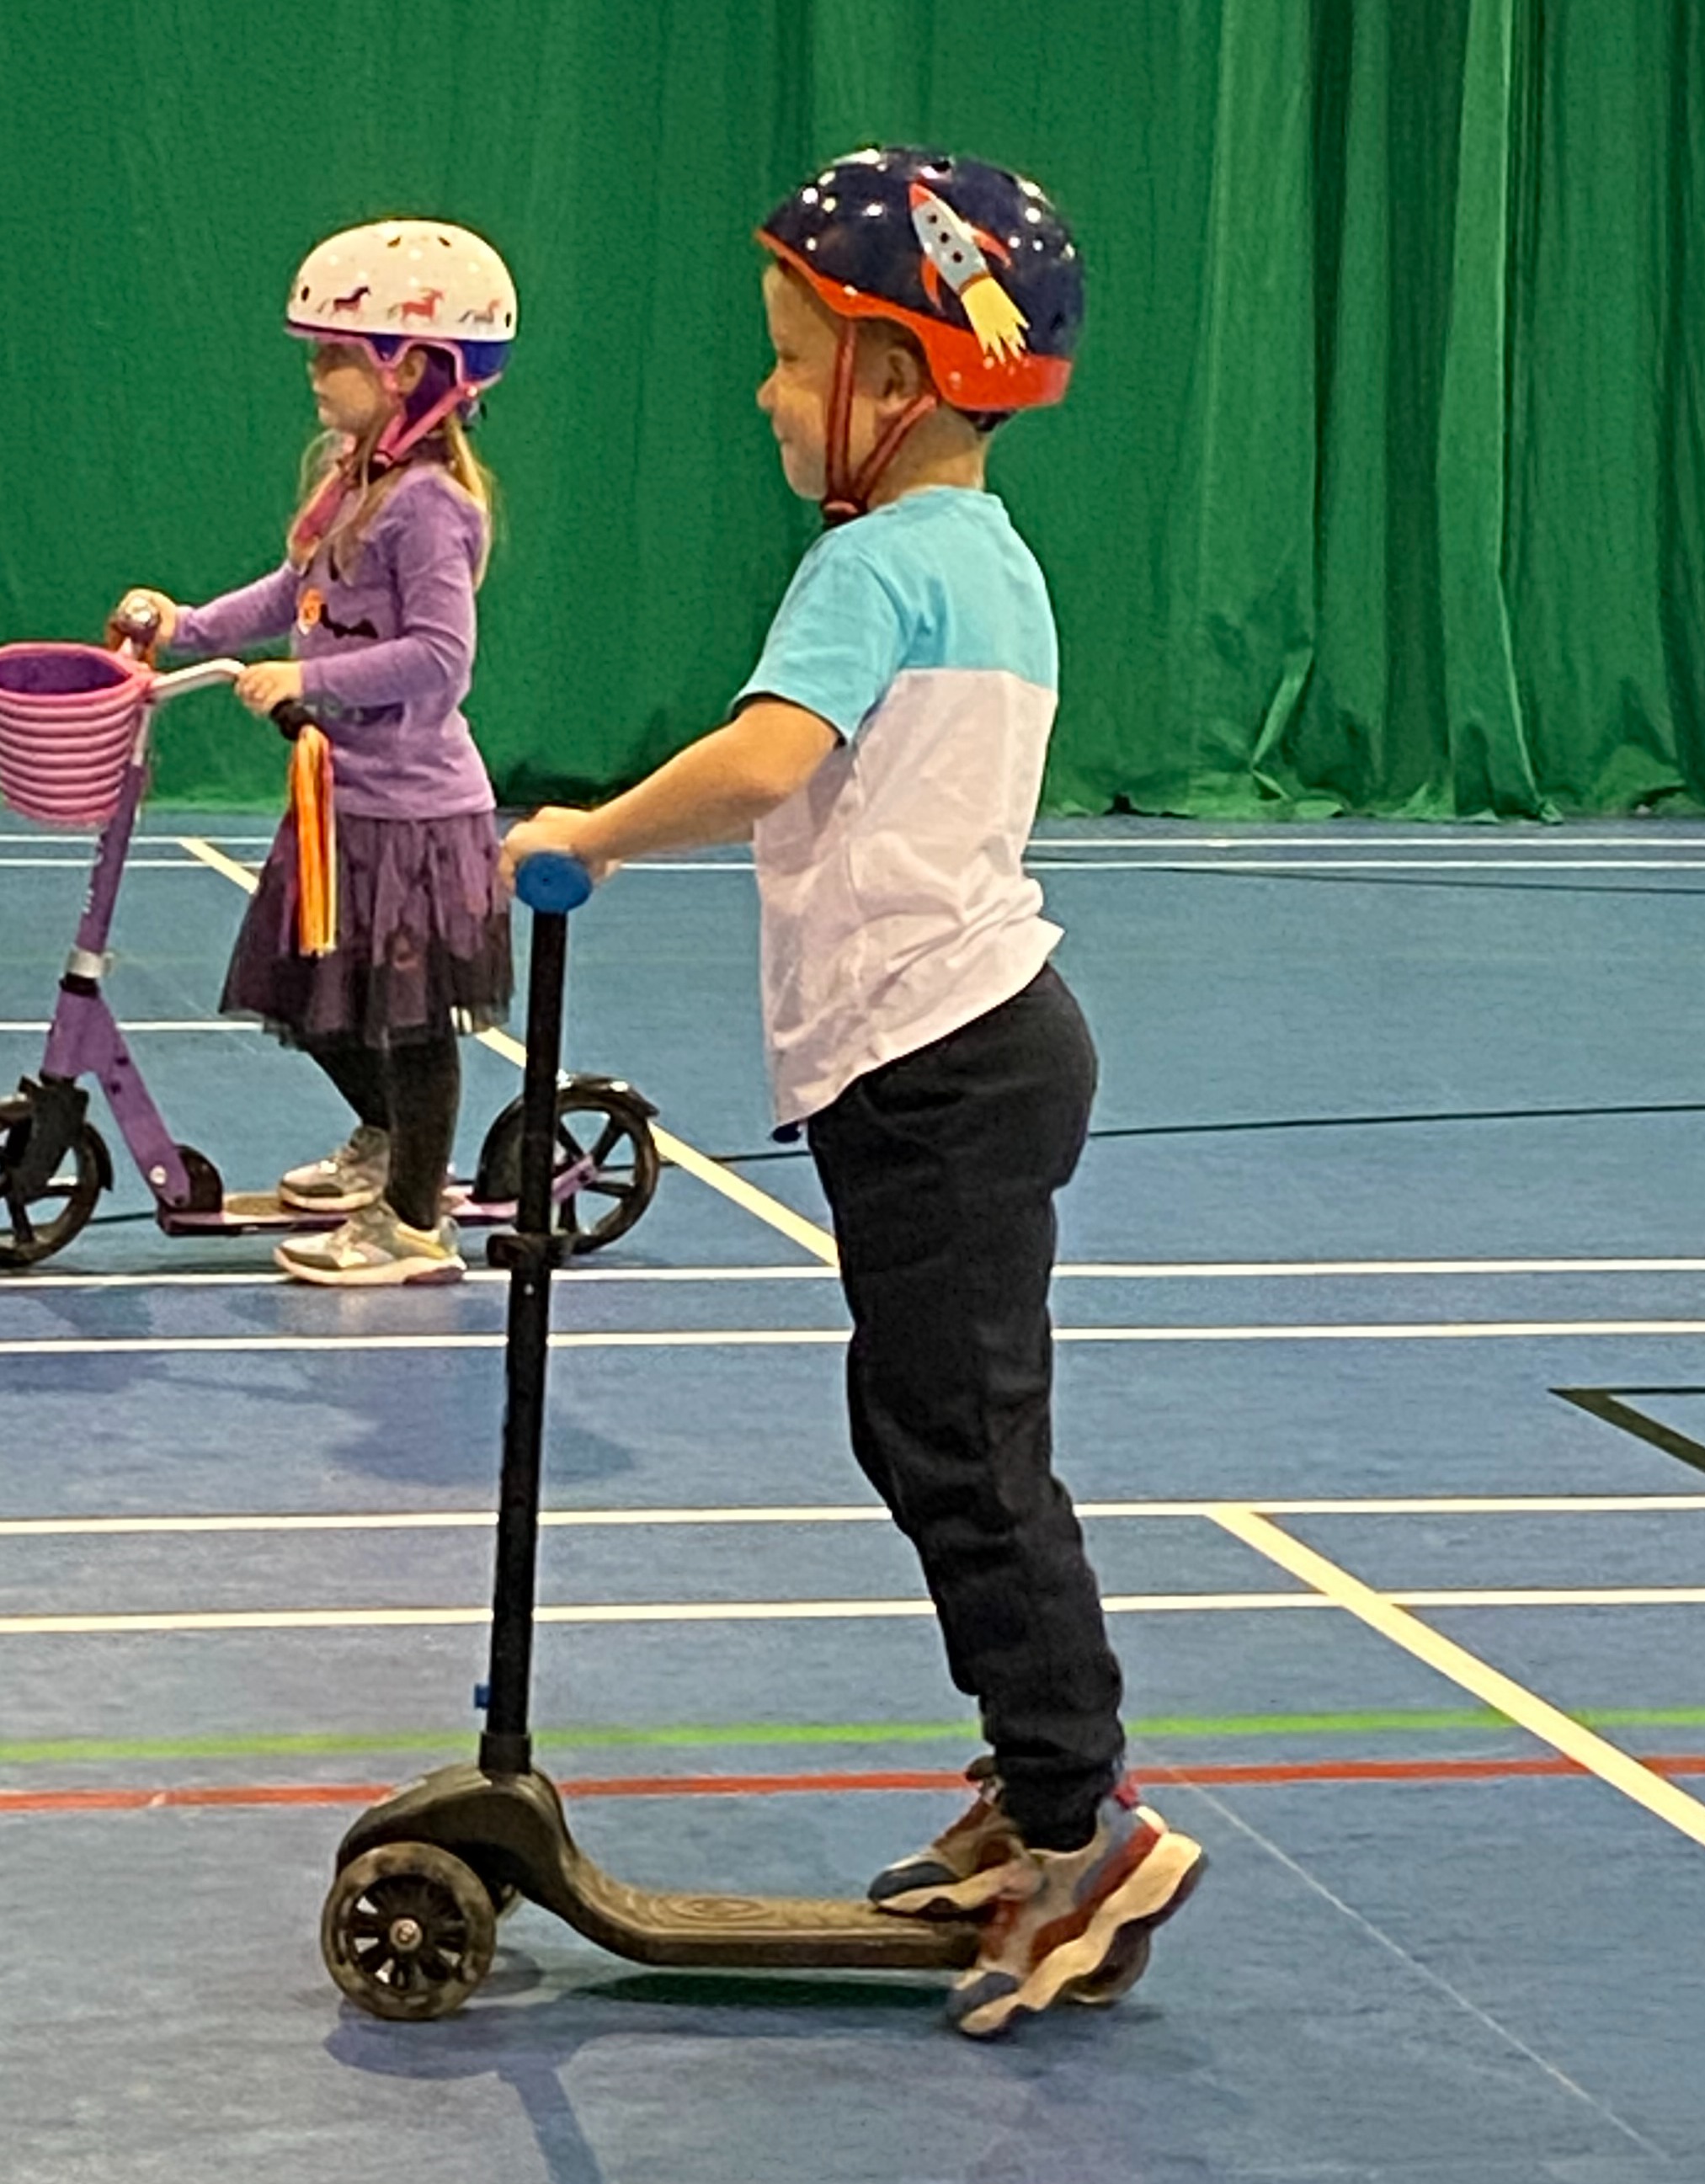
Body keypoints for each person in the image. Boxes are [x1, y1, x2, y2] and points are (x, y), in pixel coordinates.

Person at [498, 149, 1204, 2038]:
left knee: (963, 1449)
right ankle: (1029, 1784)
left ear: (898, 378)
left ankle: (1080, 1827)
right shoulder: (987, 557)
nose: (763, 392)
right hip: (962, 1051)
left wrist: (588, 834)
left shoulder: (872, 562)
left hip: (938, 1059)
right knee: (919, 1429)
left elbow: (765, 758)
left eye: (793, 357)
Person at [117, 221, 518, 1286]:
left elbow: (439, 657)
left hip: (413, 815)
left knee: (413, 1024)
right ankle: (386, 1146)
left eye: (336, 352)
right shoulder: (354, 478)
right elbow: (295, 592)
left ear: (411, 369)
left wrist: (309, 683)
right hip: (338, 799)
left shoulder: (429, 507)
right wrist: (188, 625)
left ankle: (415, 1225)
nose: (314, 370)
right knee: (315, 1000)